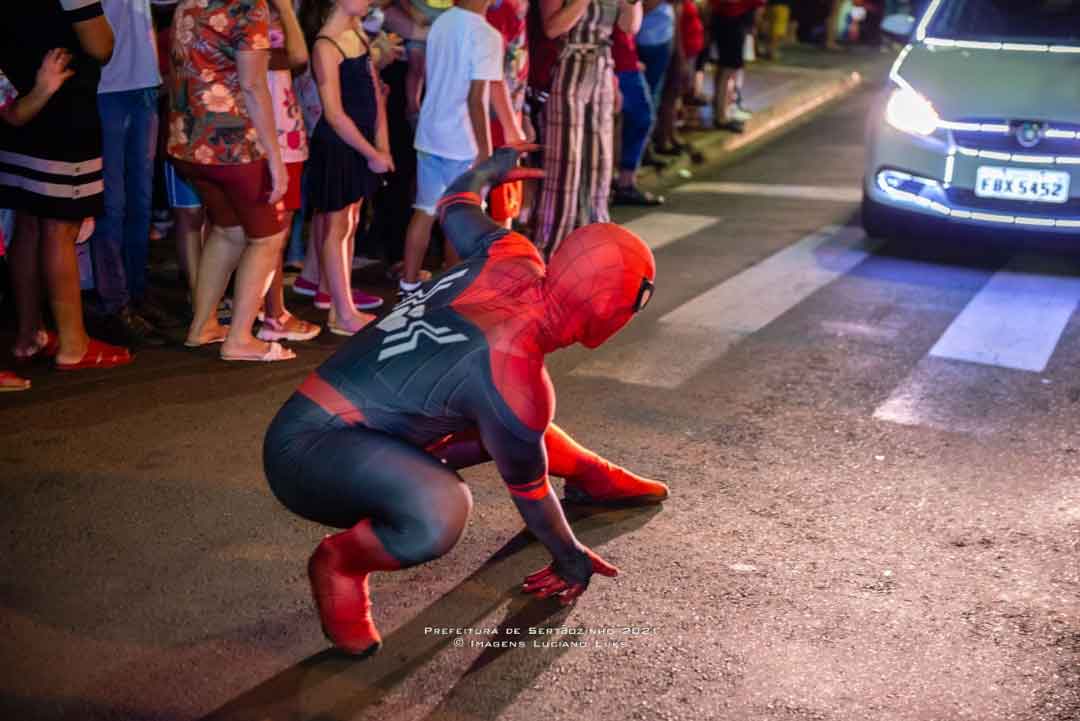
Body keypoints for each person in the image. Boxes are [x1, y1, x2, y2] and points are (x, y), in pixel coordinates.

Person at [264, 146, 668, 657]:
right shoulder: (513, 374)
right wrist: (570, 558)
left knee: (507, 420)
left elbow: (455, 204)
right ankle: (341, 562)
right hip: (310, 457)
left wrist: (484, 172)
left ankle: (589, 473)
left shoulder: (512, 253)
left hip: (330, 423)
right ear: (606, 318)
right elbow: (531, 493)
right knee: (441, 509)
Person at [0, 1, 134, 372]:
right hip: (62, 109)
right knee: (61, 227)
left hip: (17, 103)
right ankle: (74, 343)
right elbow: (100, 45)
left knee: (28, 221)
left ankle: (30, 334)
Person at [169, 0, 296, 362]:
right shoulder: (247, 6)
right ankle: (240, 337)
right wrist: (276, 158)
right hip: (231, 144)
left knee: (228, 229)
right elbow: (254, 86)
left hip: (186, 140)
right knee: (268, 237)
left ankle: (202, 325)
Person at [398, 0, 522, 296]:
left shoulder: (442, 22)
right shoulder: (487, 35)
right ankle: (453, 288)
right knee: (461, 216)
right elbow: (476, 98)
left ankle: (409, 283)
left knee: (425, 210)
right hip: (461, 141)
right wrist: (485, 151)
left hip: (430, 132)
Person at [307, 0, 395, 336]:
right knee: (337, 225)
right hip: (339, 145)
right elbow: (333, 113)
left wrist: (382, 145)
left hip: (361, 144)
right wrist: (370, 150)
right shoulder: (325, 46)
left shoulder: (356, 33)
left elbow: (375, 95)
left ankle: (342, 309)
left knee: (350, 222)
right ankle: (341, 310)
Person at [534, 0, 643, 257]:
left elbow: (629, 26)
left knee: (599, 164)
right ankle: (550, 251)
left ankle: (593, 251)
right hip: (566, 65)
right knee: (565, 165)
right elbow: (552, 28)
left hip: (602, 67)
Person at [89, 0, 169, 349]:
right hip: (106, 86)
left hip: (144, 82)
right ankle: (114, 305)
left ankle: (138, 294)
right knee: (113, 205)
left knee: (140, 201)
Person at [257, 0, 323, 343]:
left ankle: (270, 310)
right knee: (270, 233)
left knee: (271, 234)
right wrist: (284, 10)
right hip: (272, 138)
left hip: (284, 134)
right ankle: (273, 315)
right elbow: (298, 57)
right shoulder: (251, 14)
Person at [610, 26, 664, 206]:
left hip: (624, 58)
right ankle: (622, 182)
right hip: (617, 62)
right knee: (637, 118)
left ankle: (621, 180)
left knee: (630, 121)